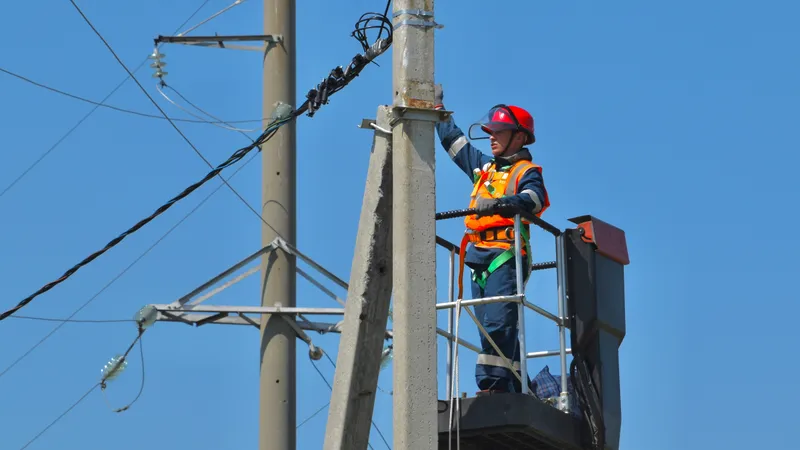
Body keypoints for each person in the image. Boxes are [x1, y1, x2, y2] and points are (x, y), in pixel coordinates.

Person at [434, 84, 550, 394]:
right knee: (490, 327)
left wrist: (501, 203)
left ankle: (493, 388)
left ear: (520, 137)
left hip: (505, 256)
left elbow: (534, 199)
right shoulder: (484, 169)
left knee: (498, 323)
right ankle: (514, 384)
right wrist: (438, 110)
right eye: (490, 131)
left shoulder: (527, 171)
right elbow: (455, 144)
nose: (491, 136)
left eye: (499, 131)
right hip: (477, 257)